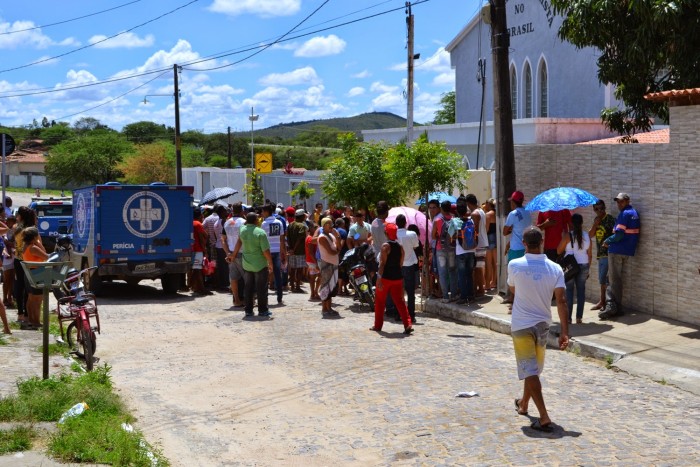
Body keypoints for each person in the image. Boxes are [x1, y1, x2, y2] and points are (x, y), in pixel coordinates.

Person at [508, 226, 569, 433]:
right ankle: (524, 405)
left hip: (522, 324)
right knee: (531, 368)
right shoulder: (555, 268)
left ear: (524, 244)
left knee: (530, 370)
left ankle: (543, 416)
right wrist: (564, 331)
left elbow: (513, 289)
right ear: (541, 242)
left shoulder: (515, 264)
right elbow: (561, 300)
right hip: (544, 324)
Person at [599, 193, 640, 320]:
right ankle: (617, 307)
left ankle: (612, 307)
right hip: (627, 250)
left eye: (621, 201)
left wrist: (607, 241)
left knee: (612, 279)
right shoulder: (634, 213)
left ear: (627, 201)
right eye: (617, 202)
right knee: (615, 279)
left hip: (617, 250)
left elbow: (619, 235)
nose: (619, 204)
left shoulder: (624, 214)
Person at [370, 223, 413, 334]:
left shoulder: (385, 246)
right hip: (397, 277)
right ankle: (407, 324)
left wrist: (379, 278)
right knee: (400, 302)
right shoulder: (400, 247)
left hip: (385, 278)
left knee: (379, 302)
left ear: (386, 233)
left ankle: (378, 326)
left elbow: (382, 264)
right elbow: (401, 263)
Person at [231, 212, 274, 317]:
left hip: (247, 264)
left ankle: (248, 310)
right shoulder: (260, 232)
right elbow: (265, 251)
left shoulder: (242, 229)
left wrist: (233, 255)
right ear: (256, 220)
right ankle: (262, 310)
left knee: (248, 287)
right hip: (259, 264)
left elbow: (239, 242)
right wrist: (270, 263)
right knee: (261, 288)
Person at [557, 214, 592, 324]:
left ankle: (568, 318)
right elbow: (589, 254)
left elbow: (558, 251)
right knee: (581, 291)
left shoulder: (568, 236)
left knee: (569, 291)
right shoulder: (587, 236)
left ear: (571, 223)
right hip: (584, 264)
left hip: (570, 266)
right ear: (582, 223)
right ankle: (579, 318)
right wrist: (588, 268)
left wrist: (563, 236)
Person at [503, 191, 531, 304]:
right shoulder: (527, 212)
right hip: (525, 247)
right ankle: (518, 298)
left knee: (513, 274)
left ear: (513, 202)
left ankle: (513, 299)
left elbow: (504, 232)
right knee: (524, 274)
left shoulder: (513, 214)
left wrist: (511, 228)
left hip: (515, 249)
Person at [588, 200, 615, 311]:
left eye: (601, 208)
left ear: (605, 207)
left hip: (607, 253)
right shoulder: (596, 220)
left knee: (605, 279)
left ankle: (606, 302)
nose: (599, 211)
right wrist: (595, 224)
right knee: (602, 279)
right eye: (596, 209)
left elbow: (616, 235)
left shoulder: (610, 219)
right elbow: (590, 235)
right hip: (600, 254)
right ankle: (602, 301)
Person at [13, 206, 36, 323]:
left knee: (19, 285)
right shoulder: (31, 230)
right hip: (28, 260)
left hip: (17, 259)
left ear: (21, 216)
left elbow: (14, 244)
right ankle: (27, 315)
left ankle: (20, 314)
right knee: (28, 287)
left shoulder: (16, 228)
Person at [432, 199, 458, 302]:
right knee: (452, 271)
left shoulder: (437, 220)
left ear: (441, 208)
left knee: (442, 273)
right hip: (452, 248)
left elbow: (433, 236)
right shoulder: (454, 219)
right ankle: (454, 294)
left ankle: (445, 296)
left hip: (440, 249)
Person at [261, 204, 287, 305]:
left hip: (267, 251)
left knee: (265, 275)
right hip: (277, 251)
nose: (262, 213)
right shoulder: (279, 222)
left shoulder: (264, 224)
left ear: (267, 212)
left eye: (263, 211)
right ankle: (279, 298)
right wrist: (283, 252)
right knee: (277, 275)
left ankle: (265, 298)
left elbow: (263, 239)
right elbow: (281, 239)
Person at [396, 214, 419, 323]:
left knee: (399, 292)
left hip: (398, 266)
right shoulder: (412, 234)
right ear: (405, 223)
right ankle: (411, 314)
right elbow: (415, 246)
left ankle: (399, 314)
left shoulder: (394, 235)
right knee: (410, 292)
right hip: (409, 264)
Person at [222, 203, 246, 307]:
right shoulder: (244, 222)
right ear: (242, 211)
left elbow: (223, 240)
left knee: (233, 278)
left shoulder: (227, 223)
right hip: (242, 253)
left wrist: (228, 253)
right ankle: (248, 300)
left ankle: (236, 300)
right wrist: (234, 254)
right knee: (247, 278)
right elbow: (241, 240)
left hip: (231, 253)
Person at [317, 218, 342, 316]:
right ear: (323, 225)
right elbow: (332, 251)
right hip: (327, 264)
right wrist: (337, 251)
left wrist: (338, 238)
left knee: (331, 286)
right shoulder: (322, 237)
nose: (331, 225)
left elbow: (338, 247)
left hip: (334, 264)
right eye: (328, 224)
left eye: (331, 223)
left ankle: (329, 307)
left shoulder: (332, 235)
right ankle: (324, 308)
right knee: (325, 286)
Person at [466, 194, 489, 298]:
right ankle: (479, 289)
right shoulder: (481, 211)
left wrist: (472, 244)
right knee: (478, 267)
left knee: (478, 268)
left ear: (468, 203)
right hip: (482, 242)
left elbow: (476, 231)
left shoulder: (475, 213)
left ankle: (480, 289)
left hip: (478, 244)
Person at [454, 201, 475, 305]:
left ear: (457, 211)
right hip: (471, 250)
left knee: (462, 275)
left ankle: (463, 297)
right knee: (469, 274)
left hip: (460, 251)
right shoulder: (471, 221)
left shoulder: (455, 221)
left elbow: (451, 236)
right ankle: (471, 296)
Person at [286, 210, 309, 293]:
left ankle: (292, 286)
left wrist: (290, 248)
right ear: (302, 216)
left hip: (292, 251)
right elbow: (300, 239)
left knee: (292, 269)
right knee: (299, 269)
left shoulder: (290, 224)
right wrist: (294, 249)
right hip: (299, 251)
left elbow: (287, 237)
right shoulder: (302, 226)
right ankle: (297, 286)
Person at [190, 208, 211, 296]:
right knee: (198, 269)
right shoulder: (198, 224)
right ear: (200, 215)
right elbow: (202, 238)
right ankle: (201, 288)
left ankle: (193, 286)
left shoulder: (190, 223)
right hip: (198, 249)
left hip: (191, 249)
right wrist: (204, 250)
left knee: (194, 269)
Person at [212, 205, 230, 291]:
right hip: (224, 246)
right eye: (225, 211)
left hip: (218, 245)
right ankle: (226, 283)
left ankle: (223, 283)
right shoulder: (223, 222)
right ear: (222, 212)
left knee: (222, 266)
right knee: (226, 266)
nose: (227, 212)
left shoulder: (216, 223)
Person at [484, 199, 498, 291]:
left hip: (489, 238)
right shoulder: (497, 213)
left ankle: (488, 285)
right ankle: (494, 282)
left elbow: (486, 229)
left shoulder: (488, 215)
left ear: (488, 204)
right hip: (496, 238)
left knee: (488, 263)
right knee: (495, 263)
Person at [2, 216, 16, 309]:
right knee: (6, 278)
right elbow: (5, 241)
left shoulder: (15, 231)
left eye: (10, 222)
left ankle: (10, 297)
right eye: (7, 221)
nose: (8, 223)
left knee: (12, 278)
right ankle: (4, 298)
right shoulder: (5, 231)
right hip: (6, 257)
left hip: (14, 256)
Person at [305, 224, 320, 300]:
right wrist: (316, 263)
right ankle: (313, 293)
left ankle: (315, 292)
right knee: (313, 278)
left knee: (318, 277)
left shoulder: (311, 237)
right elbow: (311, 252)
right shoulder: (310, 238)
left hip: (312, 260)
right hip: (312, 260)